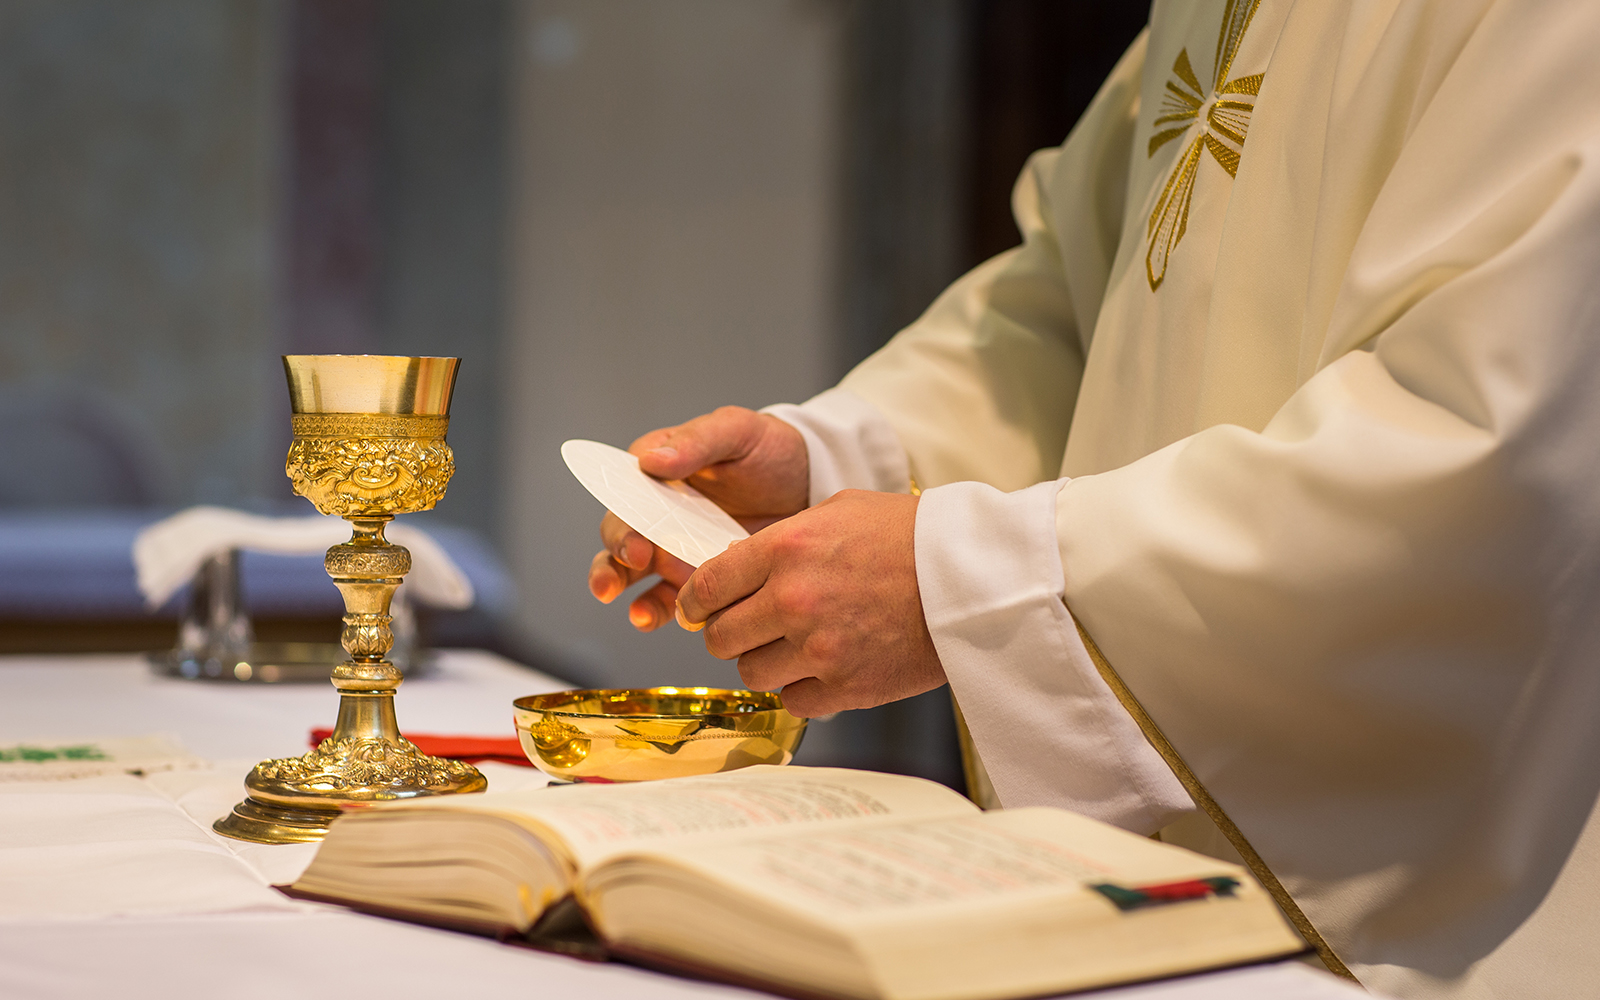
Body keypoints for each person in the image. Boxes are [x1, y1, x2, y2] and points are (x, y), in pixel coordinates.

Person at [587, 1, 1600, 994]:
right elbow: (1084, 309)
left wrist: (959, 573)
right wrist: (835, 467)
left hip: (1440, 900)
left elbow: (1488, 450)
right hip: (1159, 909)